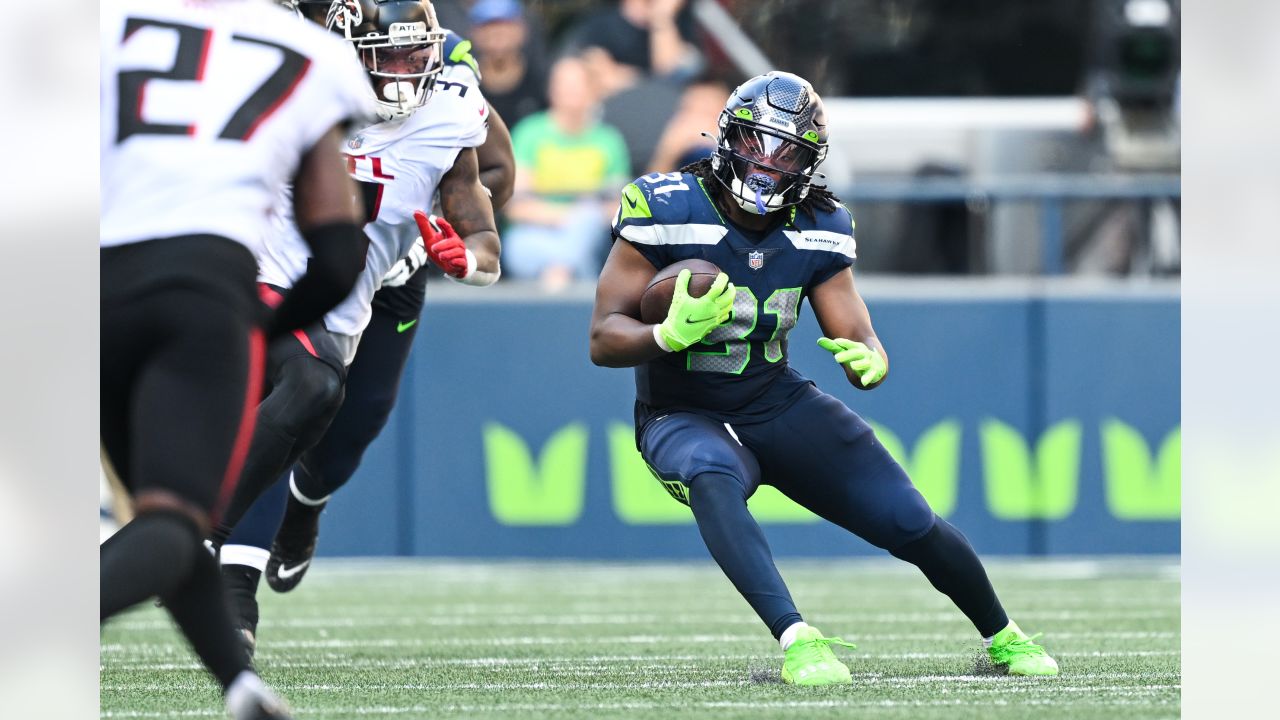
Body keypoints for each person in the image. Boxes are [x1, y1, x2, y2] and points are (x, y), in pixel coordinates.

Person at [587, 71, 1060, 685]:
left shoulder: (821, 223)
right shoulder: (667, 204)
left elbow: (856, 334)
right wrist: (665, 337)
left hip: (773, 397)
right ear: (729, 138)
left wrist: (872, 359)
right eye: (758, 143)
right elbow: (602, 338)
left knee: (909, 519)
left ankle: (1004, 636)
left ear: (811, 164)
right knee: (711, 473)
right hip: (680, 409)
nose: (767, 166)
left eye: (789, 154)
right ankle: (797, 639)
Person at [100, 0, 370, 717]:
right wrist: (258, 326)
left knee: (165, 512)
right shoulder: (312, 51)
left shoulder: (99, 21)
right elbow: (342, 256)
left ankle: (239, 684)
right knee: (173, 521)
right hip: (201, 287)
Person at [211, 0, 504, 655]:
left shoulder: (449, 106)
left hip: (389, 275)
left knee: (351, 429)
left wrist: (465, 254)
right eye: (387, 59)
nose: (404, 75)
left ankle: (305, 511)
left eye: (414, 56)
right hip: (283, 275)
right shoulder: (286, 74)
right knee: (290, 402)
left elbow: (493, 187)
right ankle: (230, 587)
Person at [503, 55, 631, 289]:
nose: (570, 92)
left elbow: (620, 207)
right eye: (563, 84)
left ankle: (558, 278)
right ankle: (570, 276)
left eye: (577, 85)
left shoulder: (609, 141)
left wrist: (584, 218)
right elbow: (517, 206)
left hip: (593, 233)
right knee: (520, 245)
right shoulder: (529, 133)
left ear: (594, 90)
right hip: (533, 235)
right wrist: (572, 217)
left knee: (588, 224)